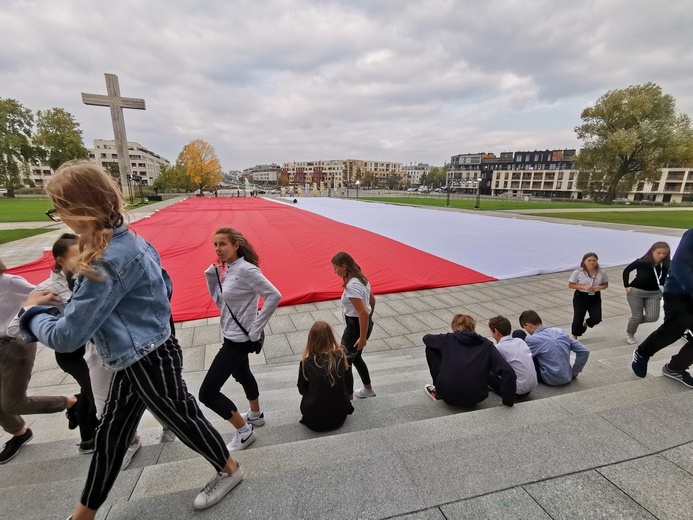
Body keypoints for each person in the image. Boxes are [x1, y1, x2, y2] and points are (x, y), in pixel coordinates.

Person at [18, 162, 243, 517]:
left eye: (58, 209)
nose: (59, 217)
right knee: (112, 435)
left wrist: (31, 313)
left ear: (79, 210)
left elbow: (67, 337)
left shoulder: (105, 260)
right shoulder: (131, 239)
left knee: (182, 420)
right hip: (141, 353)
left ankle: (230, 469)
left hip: (146, 356)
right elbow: (165, 286)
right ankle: (84, 513)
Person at [200, 227, 281, 452]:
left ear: (236, 245)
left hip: (239, 340)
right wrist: (211, 279)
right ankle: (255, 415)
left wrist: (256, 329)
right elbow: (221, 303)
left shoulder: (246, 270)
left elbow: (274, 295)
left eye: (223, 244)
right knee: (242, 373)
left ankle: (245, 432)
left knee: (207, 393)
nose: (218, 249)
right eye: (215, 245)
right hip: (230, 335)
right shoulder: (227, 269)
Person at [21, 234, 100, 454]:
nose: (84, 259)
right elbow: (15, 325)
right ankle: (93, 438)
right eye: (76, 256)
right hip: (72, 353)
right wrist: (36, 307)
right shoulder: (46, 288)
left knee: (92, 390)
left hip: (95, 346)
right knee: (95, 391)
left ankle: (86, 431)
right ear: (60, 260)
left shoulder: (91, 277)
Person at [0, 259, 78, 465]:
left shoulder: (8, 282)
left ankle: (71, 402)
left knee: (12, 402)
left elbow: (44, 294)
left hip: (13, 346)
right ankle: (19, 433)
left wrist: (39, 318)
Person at [632, 229, 693, 387]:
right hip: (679, 291)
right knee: (674, 328)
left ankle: (675, 368)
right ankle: (642, 353)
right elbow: (680, 266)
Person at [422, 314, 516, 407]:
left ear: (454, 327)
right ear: (473, 327)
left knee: (430, 348)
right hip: (476, 397)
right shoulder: (487, 345)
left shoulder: (447, 339)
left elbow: (426, 338)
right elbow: (508, 371)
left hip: (447, 395)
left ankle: (438, 388)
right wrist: (508, 400)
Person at [331, 252, 376, 399]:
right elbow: (372, 301)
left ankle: (348, 398)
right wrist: (369, 320)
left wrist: (362, 337)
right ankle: (367, 389)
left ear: (344, 267)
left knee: (344, 364)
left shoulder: (352, 286)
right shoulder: (361, 278)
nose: (334, 271)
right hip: (362, 325)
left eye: (335, 268)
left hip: (354, 329)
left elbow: (362, 312)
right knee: (356, 358)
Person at [297, 321, 353, 431]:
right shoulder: (341, 356)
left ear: (310, 339)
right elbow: (347, 383)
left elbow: (301, 390)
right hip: (340, 416)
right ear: (331, 337)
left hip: (314, 420)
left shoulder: (306, 363)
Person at [518, 310, 590, 385]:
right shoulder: (560, 331)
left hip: (549, 378)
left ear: (528, 325)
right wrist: (575, 371)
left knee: (519, 334)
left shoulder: (532, 339)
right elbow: (584, 351)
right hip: (567, 376)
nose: (526, 331)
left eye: (525, 328)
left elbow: (523, 356)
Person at [622, 242, 670, 344]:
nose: (662, 255)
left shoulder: (666, 264)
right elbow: (626, 271)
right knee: (637, 316)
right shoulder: (642, 262)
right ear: (652, 251)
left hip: (655, 293)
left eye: (664, 253)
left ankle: (633, 321)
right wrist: (626, 285)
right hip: (636, 292)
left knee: (653, 317)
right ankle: (630, 334)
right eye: (659, 253)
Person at [488, 315, 537, 397]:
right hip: (532, 386)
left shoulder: (498, 348)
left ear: (496, 331)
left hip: (515, 391)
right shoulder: (520, 341)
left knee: (487, 372)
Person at [568, 252, 609, 339]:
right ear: (584, 261)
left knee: (596, 318)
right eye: (589, 260)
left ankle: (586, 323)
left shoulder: (602, 272)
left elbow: (606, 284)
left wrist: (600, 287)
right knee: (578, 317)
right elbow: (571, 285)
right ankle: (575, 335)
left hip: (595, 296)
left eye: (594, 261)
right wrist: (583, 286)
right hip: (581, 296)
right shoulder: (578, 272)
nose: (592, 262)